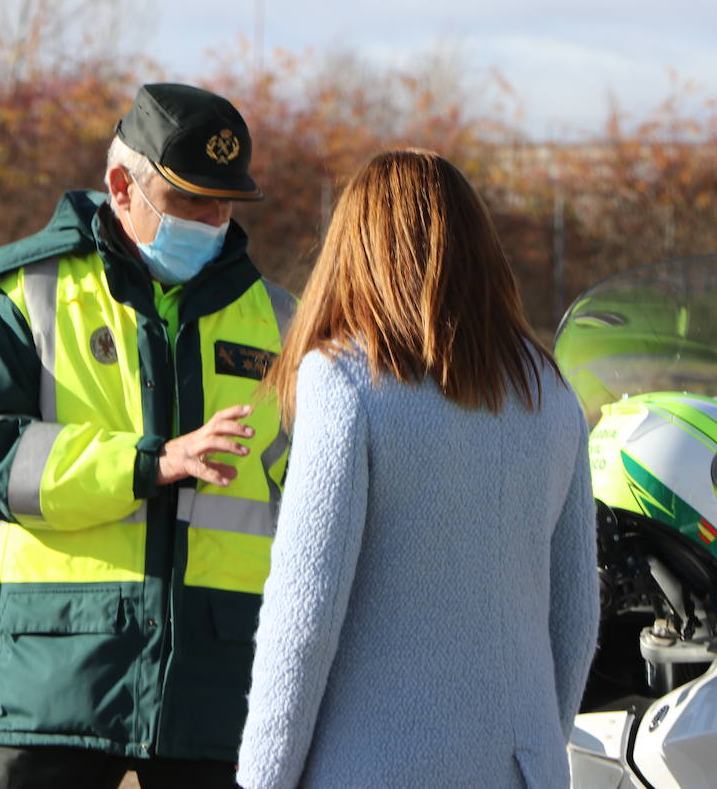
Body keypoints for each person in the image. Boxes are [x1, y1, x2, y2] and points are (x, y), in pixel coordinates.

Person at [0, 82, 295, 788]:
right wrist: (149, 463)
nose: (213, 218)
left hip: (221, 683)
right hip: (62, 671)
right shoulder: (26, 290)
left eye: (224, 202)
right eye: (190, 198)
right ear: (120, 186)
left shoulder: (280, 319)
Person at [237, 150, 599, 789]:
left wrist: (262, 781)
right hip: (524, 768)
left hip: (373, 767)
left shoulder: (346, 378)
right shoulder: (550, 391)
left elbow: (304, 617)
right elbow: (575, 617)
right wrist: (542, 744)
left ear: (359, 245)